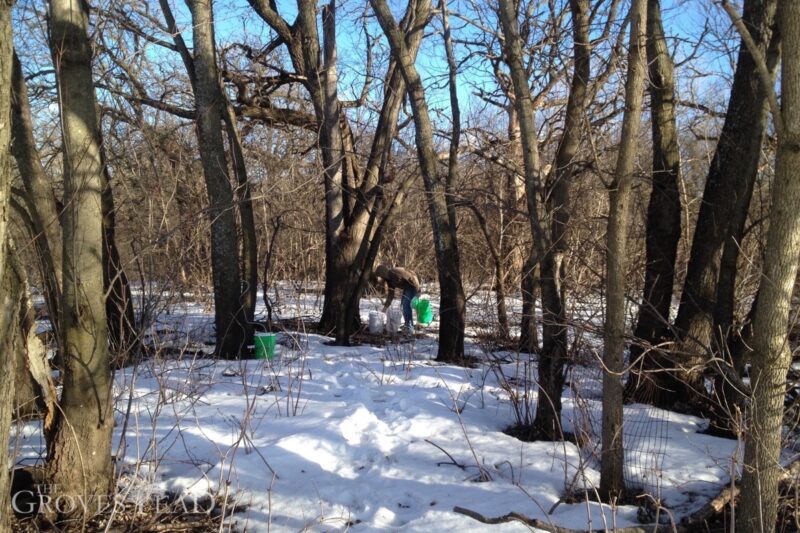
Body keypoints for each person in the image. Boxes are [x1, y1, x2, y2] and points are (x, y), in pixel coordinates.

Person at [373, 264, 420, 333]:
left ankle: (410, 327)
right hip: (407, 288)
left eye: (380, 276)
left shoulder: (396, 272)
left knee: (406, 305)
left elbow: (413, 276)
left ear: (383, 273)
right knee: (402, 305)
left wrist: (418, 290)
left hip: (412, 285)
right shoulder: (389, 280)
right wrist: (384, 308)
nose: (380, 278)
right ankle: (407, 324)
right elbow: (391, 295)